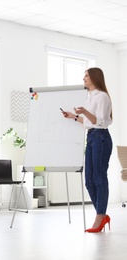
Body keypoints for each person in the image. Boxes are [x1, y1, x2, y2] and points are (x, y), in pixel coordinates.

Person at [62, 67, 112, 233]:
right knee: (89, 180)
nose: (83, 78)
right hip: (91, 137)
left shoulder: (102, 96)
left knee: (99, 177)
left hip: (101, 138)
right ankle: (102, 214)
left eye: (86, 76)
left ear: (95, 78)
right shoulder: (91, 97)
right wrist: (74, 116)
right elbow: (89, 122)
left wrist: (84, 111)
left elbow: (100, 121)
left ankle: (100, 215)